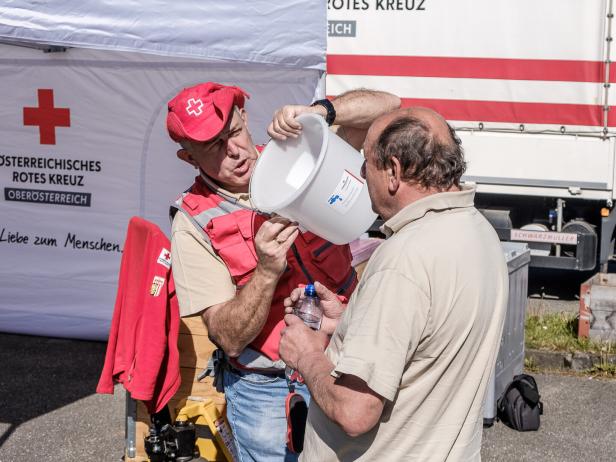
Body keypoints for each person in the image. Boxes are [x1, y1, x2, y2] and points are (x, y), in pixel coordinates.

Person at [166, 81, 400, 461]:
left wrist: (320, 112)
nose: (235, 151)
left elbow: (388, 105)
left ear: (245, 118)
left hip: (350, 363)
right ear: (187, 158)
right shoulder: (193, 221)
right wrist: (267, 271)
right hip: (269, 391)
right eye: (213, 147)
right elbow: (228, 337)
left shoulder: (297, 153)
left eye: (235, 132)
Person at [279, 107, 509, 461]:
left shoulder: (404, 258)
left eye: (365, 162)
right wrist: (349, 323)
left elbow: (355, 413)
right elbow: (429, 338)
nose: (359, 172)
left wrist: (307, 355)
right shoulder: (478, 231)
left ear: (394, 171)